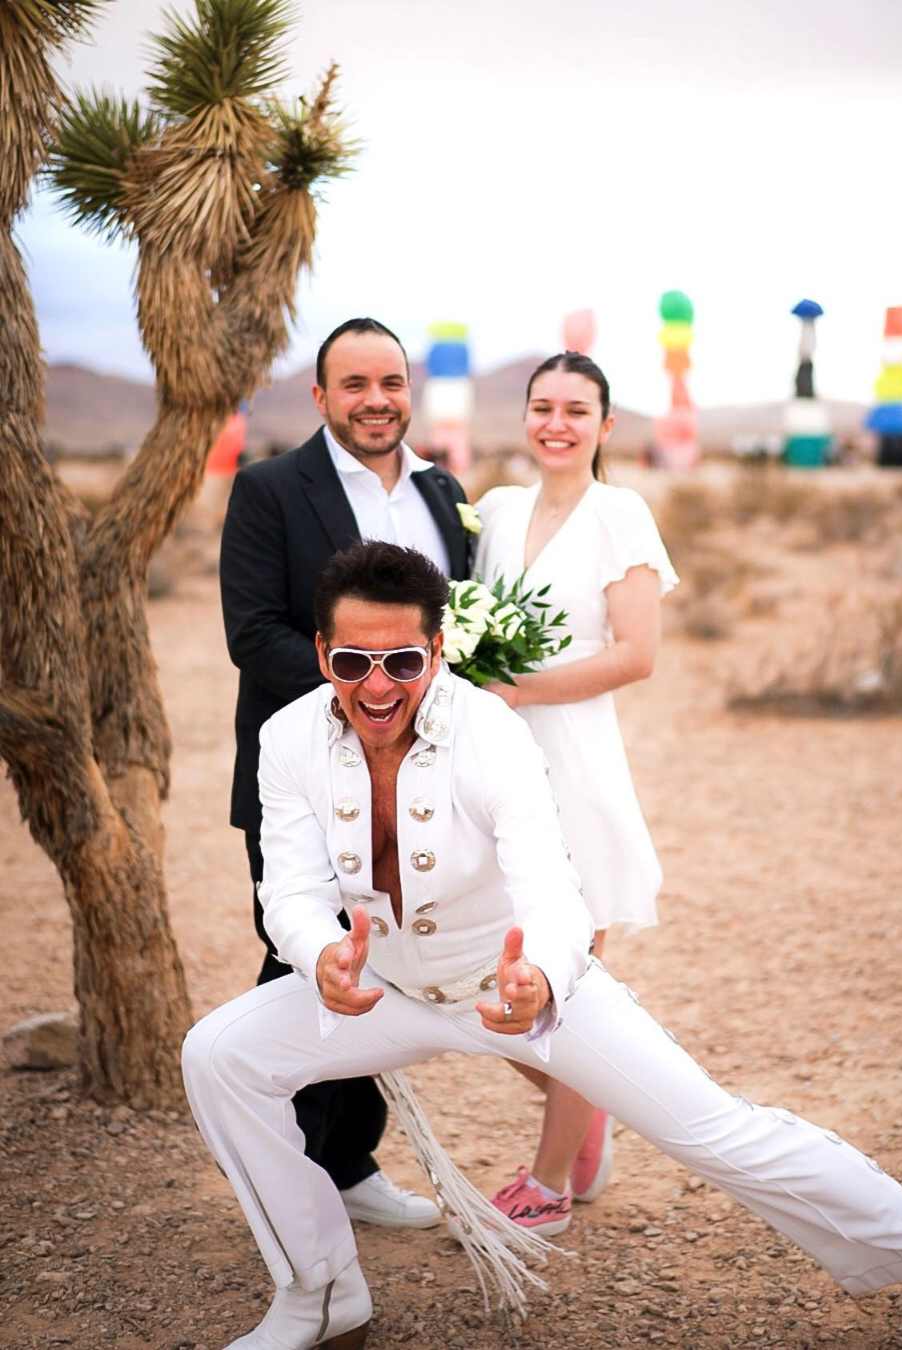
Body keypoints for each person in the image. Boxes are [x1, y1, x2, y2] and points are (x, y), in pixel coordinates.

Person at [183, 541, 902, 1350]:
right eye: (352, 661)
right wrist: (318, 953)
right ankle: (320, 1292)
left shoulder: (489, 730)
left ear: (437, 651)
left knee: (718, 1136)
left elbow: (551, 882)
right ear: (323, 649)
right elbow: (288, 886)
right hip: (383, 989)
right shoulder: (288, 735)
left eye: (402, 661)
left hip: (515, 983)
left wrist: (543, 975)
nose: (377, 685)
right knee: (219, 1054)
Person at [218, 317, 473, 1230]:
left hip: (422, 782)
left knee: (387, 955)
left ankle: (348, 1164)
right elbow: (253, 635)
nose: (377, 400)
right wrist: (371, 694)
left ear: (411, 391)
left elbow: (455, 631)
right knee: (300, 957)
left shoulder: (445, 492)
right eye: (355, 384)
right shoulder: (270, 491)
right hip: (303, 768)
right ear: (321, 397)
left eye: (392, 383)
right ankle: (277, 1171)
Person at [473, 352, 676, 1229]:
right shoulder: (502, 511)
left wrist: (520, 687)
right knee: (484, 991)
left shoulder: (620, 514)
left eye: (577, 409)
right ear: (526, 415)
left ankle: (551, 1182)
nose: (557, 423)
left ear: (606, 424)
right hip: (492, 769)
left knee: (560, 988)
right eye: (543, 407)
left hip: (575, 767)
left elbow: (637, 654)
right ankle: (587, 1111)